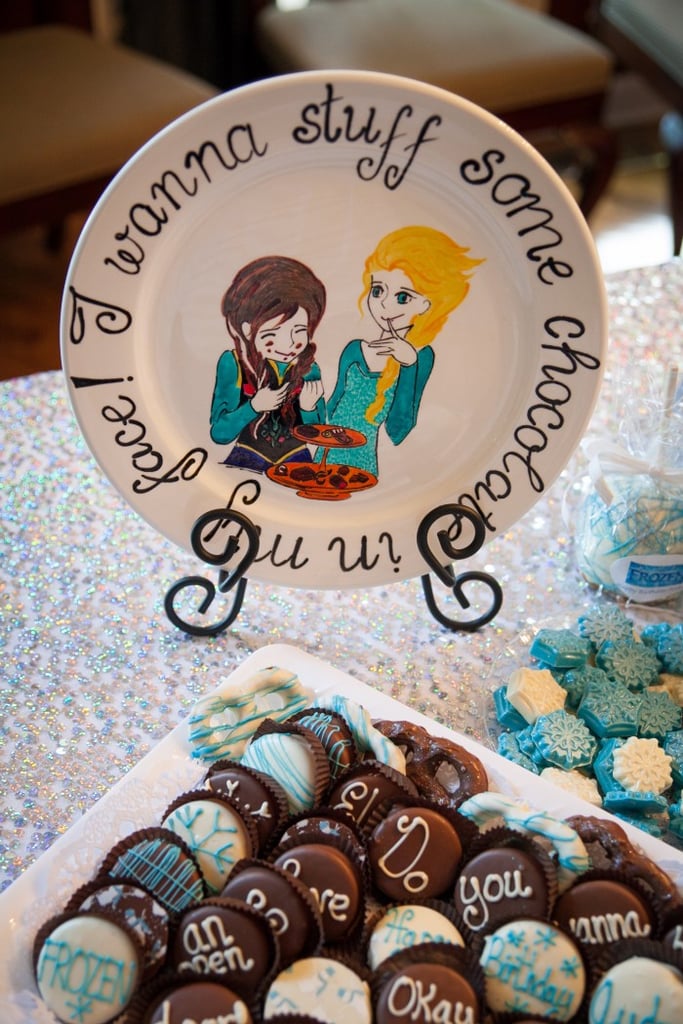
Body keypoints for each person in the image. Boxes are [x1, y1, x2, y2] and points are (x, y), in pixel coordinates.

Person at [323, 225, 483, 477]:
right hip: (325, 455)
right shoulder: (354, 350)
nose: (384, 305)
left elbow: (400, 429)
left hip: (362, 464)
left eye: (402, 297)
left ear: (425, 304)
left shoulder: (421, 356)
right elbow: (332, 407)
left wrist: (408, 366)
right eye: (377, 291)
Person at [210, 255, 326, 473]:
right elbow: (219, 433)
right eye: (274, 333)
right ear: (246, 329)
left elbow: (321, 436)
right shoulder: (234, 363)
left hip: (297, 462)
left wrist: (308, 409)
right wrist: (254, 406)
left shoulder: (309, 368)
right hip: (247, 461)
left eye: (300, 331)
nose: (290, 344)